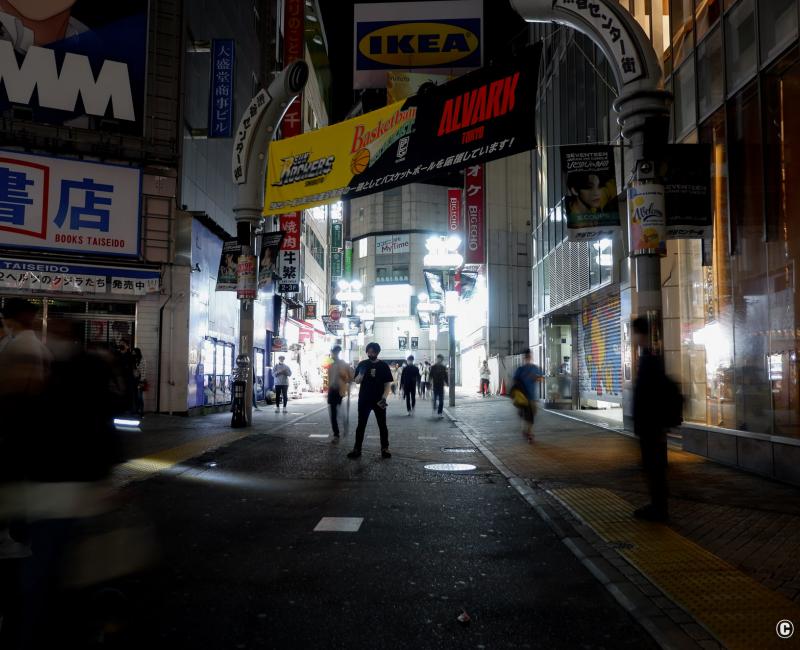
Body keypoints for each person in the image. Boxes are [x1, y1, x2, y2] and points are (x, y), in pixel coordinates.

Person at [632, 317, 670, 522]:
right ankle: (657, 506)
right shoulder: (650, 357)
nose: (632, 338)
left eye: (634, 333)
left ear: (640, 334)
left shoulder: (650, 359)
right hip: (651, 426)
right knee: (653, 468)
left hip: (651, 426)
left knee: (653, 468)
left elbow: (650, 396)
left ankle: (659, 509)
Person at [348, 342, 393, 459]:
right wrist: (361, 375)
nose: (371, 354)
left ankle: (385, 448)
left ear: (378, 352)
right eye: (369, 352)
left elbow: (387, 384)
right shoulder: (362, 364)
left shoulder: (383, 366)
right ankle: (357, 449)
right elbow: (357, 381)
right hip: (364, 399)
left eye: (373, 352)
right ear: (367, 352)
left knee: (382, 425)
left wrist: (384, 397)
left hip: (379, 400)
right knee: (361, 425)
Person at [512, 350, 544, 442]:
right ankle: (528, 433)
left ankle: (525, 431)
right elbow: (514, 381)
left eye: (529, 356)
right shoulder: (520, 369)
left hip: (532, 396)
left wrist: (536, 378)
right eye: (527, 357)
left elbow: (541, 378)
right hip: (523, 397)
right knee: (528, 416)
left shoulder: (535, 368)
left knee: (531, 414)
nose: (528, 358)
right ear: (525, 358)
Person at [327, 345, 353, 443]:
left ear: (338, 353)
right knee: (333, 413)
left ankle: (344, 424)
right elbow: (329, 378)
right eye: (333, 352)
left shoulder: (344, 364)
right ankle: (336, 434)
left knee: (338, 412)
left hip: (339, 390)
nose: (334, 354)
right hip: (331, 390)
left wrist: (344, 376)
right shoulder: (330, 364)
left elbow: (351, 378)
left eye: (336, 352)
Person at [132, 347, 147, 417]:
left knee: (139, 396)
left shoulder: (142, 360)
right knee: (136, 396)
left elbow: (143, 371)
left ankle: (141, 411)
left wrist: (141, 381)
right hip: (135, 380)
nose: (132, 353)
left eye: (134, 352)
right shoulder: (134, 360)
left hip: (140, 380)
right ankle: (137, 410)